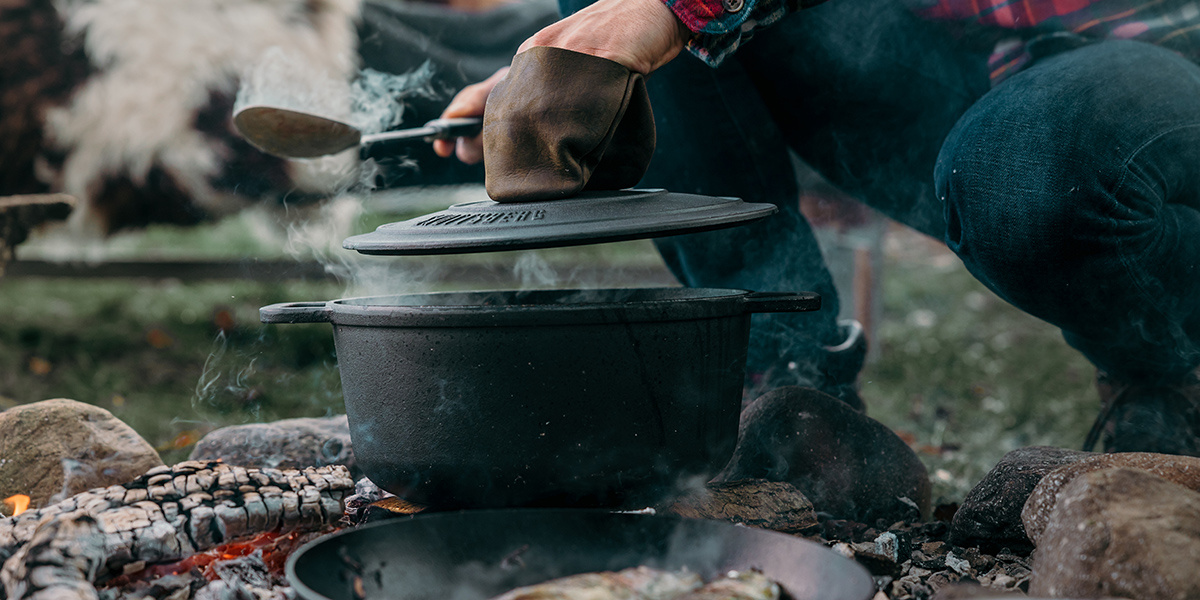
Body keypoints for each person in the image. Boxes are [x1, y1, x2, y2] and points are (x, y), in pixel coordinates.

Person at [432, 0, 1200, 456]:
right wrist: (560, 75)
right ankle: (791, 387)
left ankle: (1166, 372)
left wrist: (675, 7)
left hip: (1158, 63)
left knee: (1033, 172)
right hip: (964, 80)